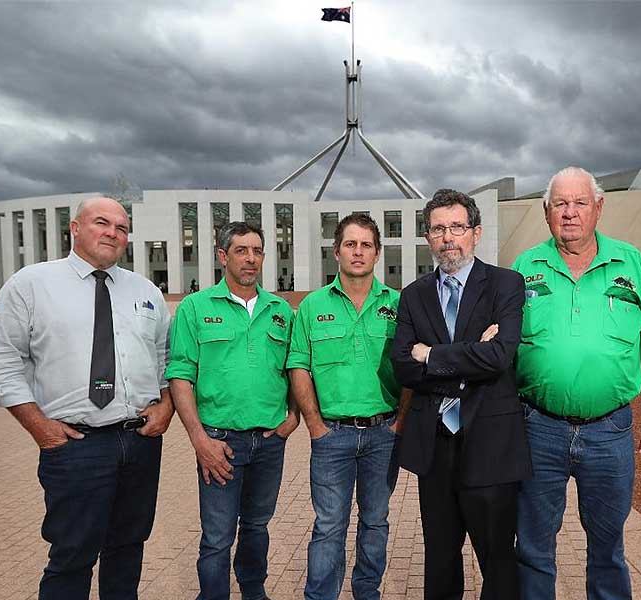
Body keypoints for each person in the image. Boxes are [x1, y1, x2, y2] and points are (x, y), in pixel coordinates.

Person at [0, 196, 173, 600]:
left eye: (122, 228)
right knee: (72, 555)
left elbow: (165, 357)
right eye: (102, 223)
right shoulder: (31, 284)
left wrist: (165, 405)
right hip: (75, 445)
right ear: (75, 228)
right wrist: (40, 427)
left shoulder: (146, 292)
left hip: (138, 442)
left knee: (127, 548)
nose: (113, 233)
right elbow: (1, 359)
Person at [512, 166, 641, 600]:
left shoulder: (632, 263)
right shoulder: (524, 267)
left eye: (580, 203)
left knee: (607, 547)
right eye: (560, 204)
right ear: (546, 211)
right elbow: (503, 349)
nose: (570, 213)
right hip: (537, 430)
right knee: (532, 547)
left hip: (610, 432)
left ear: (598, 207)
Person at [391, 189, 531, 600]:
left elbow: (500, 357)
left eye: (457, 227)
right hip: (435, 447)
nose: (448, 237)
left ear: (475, 233)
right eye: (438, 229)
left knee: (498, 562)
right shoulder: (413, 295)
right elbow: (403, 365)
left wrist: (431, 355)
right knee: (439, 560)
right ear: (428, 237)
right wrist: (474, 354)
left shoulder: (505, 284)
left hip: (491, 444)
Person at [166, 221, 299, 600]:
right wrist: (198, 439)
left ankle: (254, 592)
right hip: (219, 444)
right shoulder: (195, 307)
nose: (251, 258)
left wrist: (294, 415)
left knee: (257, 526)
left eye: (257, 251)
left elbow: (294, 367)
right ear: (223, 256)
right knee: (218, 536)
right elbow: (180, 375)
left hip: (270, 441)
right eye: (242, 250)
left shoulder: (280, 310)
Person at [287, 213, 406, 600]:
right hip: (331, 436)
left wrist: (399, 423)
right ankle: (321, 596)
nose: (358, 252)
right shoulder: (312, 306)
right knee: (328, 526)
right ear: (336, 251)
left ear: (377, 252)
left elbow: (410, 369)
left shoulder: (399, 304)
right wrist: (315, 425)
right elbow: (299, 366)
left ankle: (366, 592)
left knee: (375, 522)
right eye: (350, 244)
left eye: (366, 244)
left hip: (383, 434)